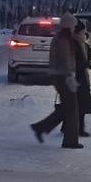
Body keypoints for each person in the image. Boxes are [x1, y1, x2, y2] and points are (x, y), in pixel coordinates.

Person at [29, 12, 82, 149]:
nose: (74, 28)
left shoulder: (59, 37)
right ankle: (70, 141)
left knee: (65, 108)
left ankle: (40, 127)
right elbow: (66, 60)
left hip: (58, 76)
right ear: (68, 26)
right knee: (72, 109)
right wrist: (70, 76)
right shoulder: (64, 41)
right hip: (64, 77)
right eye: (73, 26)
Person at [73, 22, 91, 137]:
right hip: (75, 79)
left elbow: (88, 56)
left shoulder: (83, 44)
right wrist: (84, 64)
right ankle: (78, 129)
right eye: (82, 30)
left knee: (80, 105)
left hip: (82, 78)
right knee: (78, 106)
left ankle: (75, 128)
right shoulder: (73, 44)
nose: (84, 32)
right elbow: (72, 63)